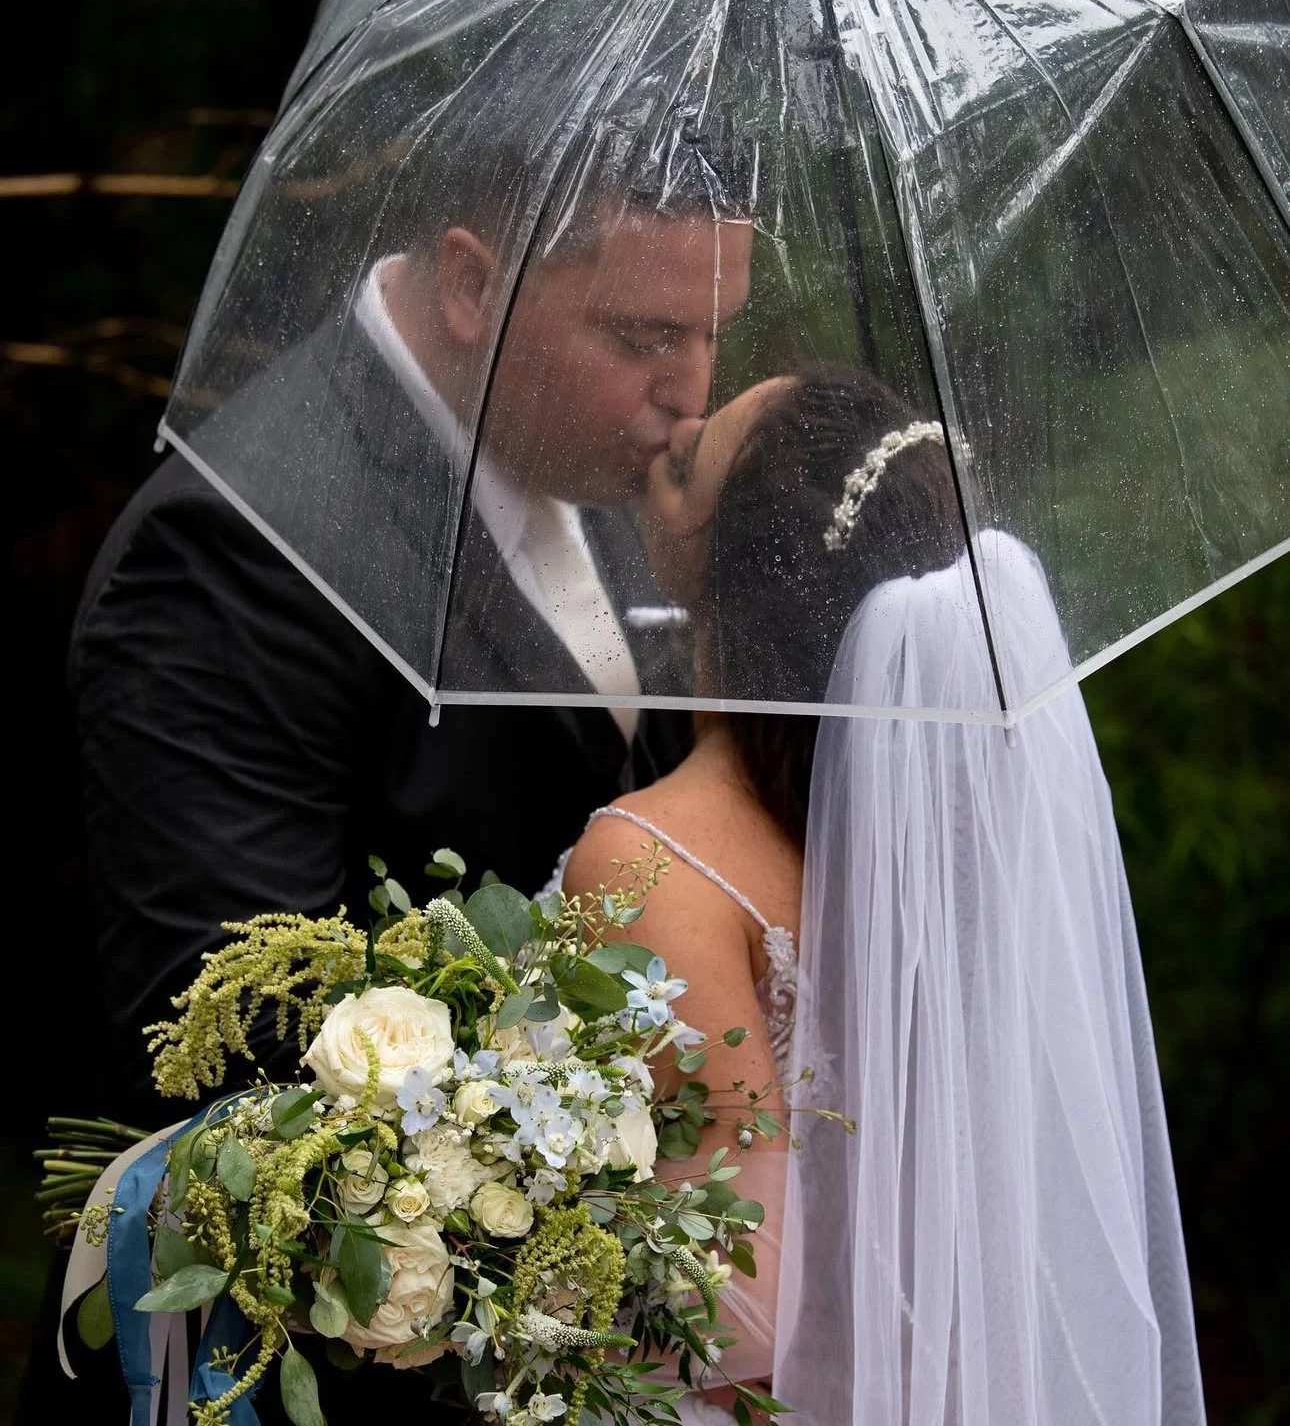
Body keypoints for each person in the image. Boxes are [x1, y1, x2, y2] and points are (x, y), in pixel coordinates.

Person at [19, 158, 753, 1425]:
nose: (692, 397)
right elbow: (232, 1056)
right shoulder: (239, 546)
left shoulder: (618, 460)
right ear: (473, 282)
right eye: (644, 336)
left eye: (712, 335)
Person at [561, 364, 1207, 1425]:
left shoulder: (648, 866)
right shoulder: (971, 839)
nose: (658, 452)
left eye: (683, 468)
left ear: (732, 566)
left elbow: (737, 1316)